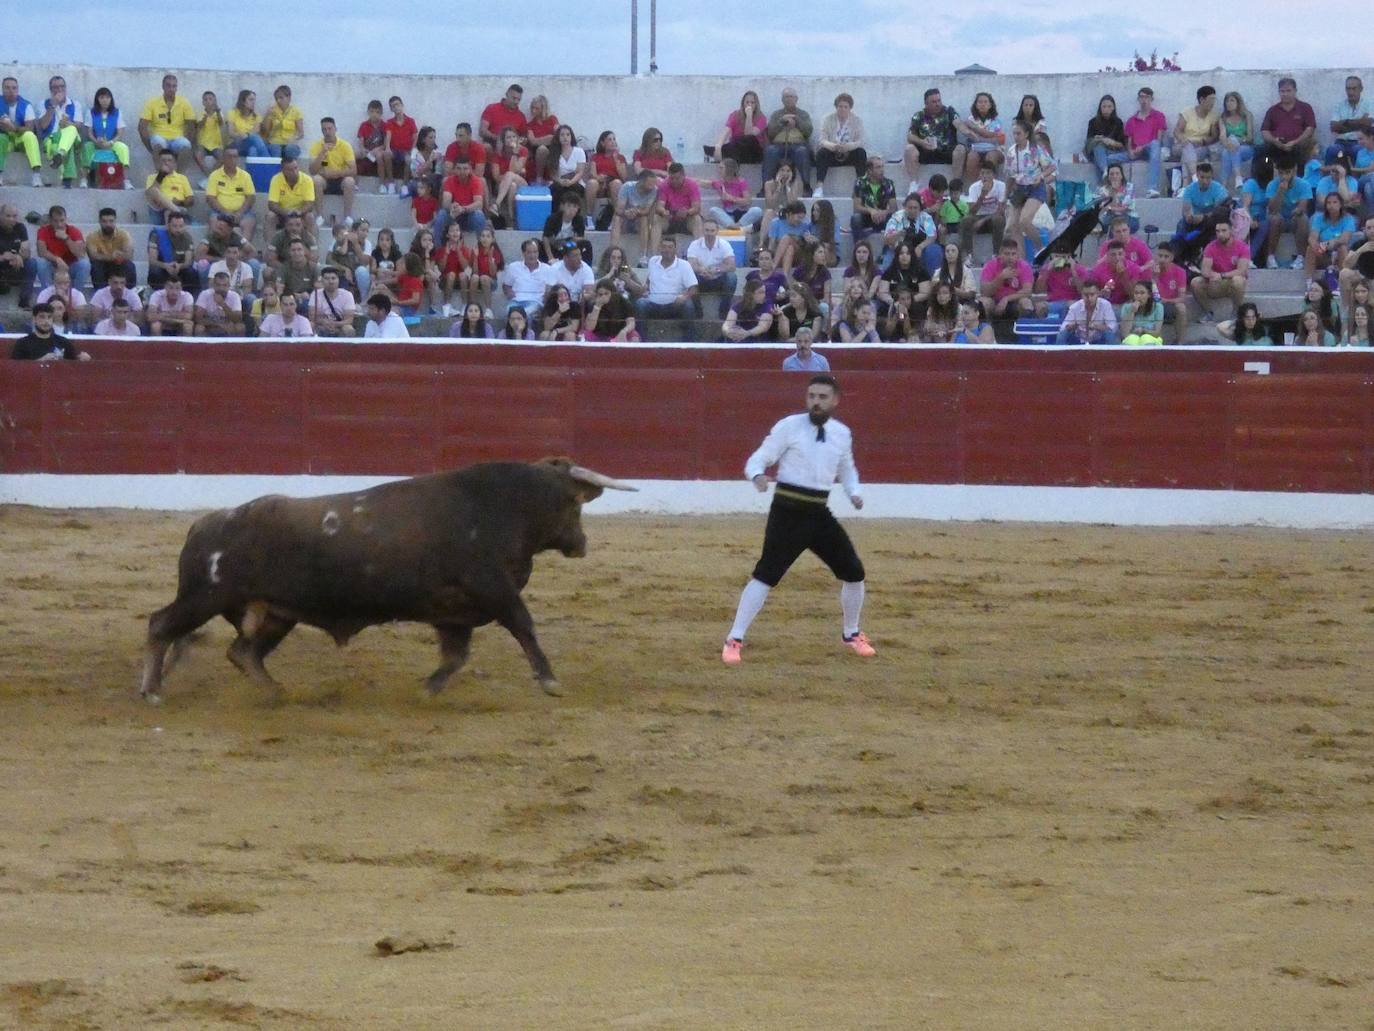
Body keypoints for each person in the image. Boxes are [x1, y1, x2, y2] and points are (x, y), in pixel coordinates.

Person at [721, 375, 872, 665]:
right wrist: (757, 476)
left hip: (819, 514)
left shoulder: (842, 433)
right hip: (787, 513)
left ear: (835, 400)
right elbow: (758, 459)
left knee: (854, 572)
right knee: (766, 574)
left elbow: (847, 469)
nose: (816, 401)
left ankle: (851, 633)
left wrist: (854, 492)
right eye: (812, 396)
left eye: (822, 397)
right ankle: (734, 638)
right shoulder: (788, 426)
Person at [1003, 120, 1054, 253]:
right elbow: (1009, 176)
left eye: (1018, 133)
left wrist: (1041, 176)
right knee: (1011, 226)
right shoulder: (1011, 151)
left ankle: (1041, 249)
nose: (1015, 136)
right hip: (1019, 188)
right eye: (1014, 133)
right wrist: (1005, 196)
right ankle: (1021, 259)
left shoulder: (1035, 149)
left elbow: (1052, 166)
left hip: (1034, 187)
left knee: (1024, 221)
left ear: (1026, 134)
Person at [1255, 78, 1317, 186]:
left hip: (1298, 145)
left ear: (1295, 91)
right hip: (1277, 145)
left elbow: (1310, 129)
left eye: (1288, 91)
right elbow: (1265, 131)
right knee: (1260, 151)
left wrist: (1295, 142)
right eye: (1282, 91)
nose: (1285, 94)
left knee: (1303, 148)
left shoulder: (1305, 108)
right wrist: (1275, 141)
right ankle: (1260, 183)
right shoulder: (1273, 110)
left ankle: (1300, 184)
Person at [1191, 218, 1250, 322]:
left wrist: (1222, 275)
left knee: (1238, 280)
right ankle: (1208, 312)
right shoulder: (1210, 247)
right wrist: (1212, 275)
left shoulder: (1242, 247)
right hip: (1215, 283)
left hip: (1231, 283)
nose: (1220, 234)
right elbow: (1204, 270)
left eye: (1224, 230)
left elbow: (1241, 270)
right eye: (1218, 231)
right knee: (1195, 282)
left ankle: (1236, 313)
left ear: (1231, 230)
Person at [34, 74, 86, 189]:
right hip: (51, 139)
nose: (59, 90)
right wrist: (52, 106)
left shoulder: (75, 104)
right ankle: (67, 179)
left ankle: (60, 154)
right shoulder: (43, 104)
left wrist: (68, 124)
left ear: (65, 88)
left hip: (73, 137)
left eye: (62, 86)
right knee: (68, 145)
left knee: (71, 129)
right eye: (55, 87)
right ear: (50, 90)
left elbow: (79, 126)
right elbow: (43, 125)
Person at [636, 236, 701, 326]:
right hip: (653, 304)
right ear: (660, 248)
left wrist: (684, 297)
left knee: (688, 305)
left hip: (674, 306)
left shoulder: (684, 265)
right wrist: (646, 288)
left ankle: (688, 340)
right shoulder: (653, 261)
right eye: (664, 247)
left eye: (670, 247)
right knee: (640, 303)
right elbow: (649, 280)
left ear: (675, 249)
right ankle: (641, 339)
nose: (667, 250)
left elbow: (693, 288)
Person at [1263, 159, 1314, 269]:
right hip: (1278, 219)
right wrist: (1280, 192)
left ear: (1294, 171)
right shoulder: (1272, 185)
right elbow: (1272, 209)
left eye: (1287, 172)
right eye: (1281, 173)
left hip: (1294, 219)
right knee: (1275, 218)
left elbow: (1303, 206)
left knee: (1303, 219)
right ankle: (1270, 257)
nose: (1284, 176)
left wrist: (1297, 211)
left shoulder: (1304, 184)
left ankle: (1301, 257)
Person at [814, 93, 866, 196]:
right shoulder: (827, 119)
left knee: (861, 153)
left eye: (845, 107)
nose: (842, 109)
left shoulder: (857, 120)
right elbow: (822, 140)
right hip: (833, 152)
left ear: (850, 108)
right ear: (836, 107)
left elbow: (861, 141)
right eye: (840, 106)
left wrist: (848, 147)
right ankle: (819, 188)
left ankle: (861, 187)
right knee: (821, 153)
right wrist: (833, 146)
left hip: (849, 153)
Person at [903, 87, 961, 181]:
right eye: (934, 102)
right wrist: (922, 142)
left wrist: (969, 130)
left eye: (939, 100)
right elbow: (910, 136)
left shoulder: (949, 112)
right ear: (926, 104)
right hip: (926, 152)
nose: (938, 104)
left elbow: (959, 124)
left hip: (947, 151)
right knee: (909, 149)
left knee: (961, 149)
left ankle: (956, 185)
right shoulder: (919, 115)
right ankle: (914, 184)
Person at [82, 86, 135, 187]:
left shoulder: (117, 112)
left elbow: (120, 133)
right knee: (87, 147)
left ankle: (126, 180)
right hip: (96, 143)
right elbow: (89, 133)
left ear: (111, 99)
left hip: (111, 143)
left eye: (107, 97)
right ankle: (84, 179)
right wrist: (96, 141)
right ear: (97, 99)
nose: (105, 100)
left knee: (123, 148)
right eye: (101, 97)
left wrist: (110, 142)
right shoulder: (91, 112)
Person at [138, 74, 195, 167]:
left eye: (174, 86)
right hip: (159, 137)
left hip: (177, 138)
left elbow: (192, 126)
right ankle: (161, 177)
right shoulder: (152, 103)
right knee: (158, 142)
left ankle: (178, 177)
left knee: (186, 145)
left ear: (177, 88)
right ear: (163, 87)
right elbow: (141, 127)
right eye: (168, 85)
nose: (171, 89)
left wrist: (188, 140)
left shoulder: (184, 103)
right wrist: (150, 148)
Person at [762, 87, 813, 191]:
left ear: (796, 99)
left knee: (802, 152)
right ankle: (766, 187)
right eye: (786, 97)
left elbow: (808, 132)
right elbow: (770, 133)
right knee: (770, 151)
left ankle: (806, 186)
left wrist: (797, 121)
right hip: (778, 145)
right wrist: (781, 122)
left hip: (798, 145)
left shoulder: (803, 114)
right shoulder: (776, 114)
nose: (789, 99)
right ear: (782, 100)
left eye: (791, 97)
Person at [204, 144, 258, 244]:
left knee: (249, 222)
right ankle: (214, 250)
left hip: (242, 212)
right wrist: (225, 211)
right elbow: (210, 198)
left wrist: (240, 213)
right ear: (223, 158)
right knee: (213, 220)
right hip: (219, 212)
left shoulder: (245, 176)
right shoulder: (214, 175)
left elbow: (251, 197)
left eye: (235, 156)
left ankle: (243, 252)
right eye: (229, 156)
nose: (232, 159)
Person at [309, 117, 357, 226]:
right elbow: (312, 170)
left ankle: (347, 216)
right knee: (316, 180)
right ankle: (320, 216)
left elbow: (353, 170)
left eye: (330, 128)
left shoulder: (345, 146)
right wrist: (322, 153)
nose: (327, 132)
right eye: (324, 129)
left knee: (350, 181)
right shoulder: (316, 146)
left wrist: (337, 173)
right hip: (325, 180)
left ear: (336, 129)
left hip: (341, 180)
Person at [687, 218, 738, 319]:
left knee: (732, 277)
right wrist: (702, 270)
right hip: (701, 279)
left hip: (718, 279)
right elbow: (691, 265)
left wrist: (717, 270)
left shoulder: (724, 244)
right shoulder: (694, 244)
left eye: (712, 231)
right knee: (689, 276)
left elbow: (732, 266)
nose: (709, 233)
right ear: (702, 230)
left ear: (717, 231)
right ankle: (698, 311)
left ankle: (723, 311)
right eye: (707, 230)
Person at [1123, 86, 1168, 198]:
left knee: (1155, 145)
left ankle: (1151, 188)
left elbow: (1158, 140)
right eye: (1141, 97)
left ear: (1151, 99)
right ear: (1138, 99)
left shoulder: (1158, 116)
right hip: (1136, 152)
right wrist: (1130, 152)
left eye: (1147, 97)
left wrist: (1142, 147)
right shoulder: (1131, 120)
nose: (1144, 100)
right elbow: (1129, 141)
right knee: (1110, 158)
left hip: (1151, 150)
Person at [0, 77, 44, 186]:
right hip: (5, 140)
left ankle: (36, 175)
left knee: (30, 135)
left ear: (18, 90)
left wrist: (14, 128)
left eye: (14, 88)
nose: (11, 91)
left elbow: (30, 128)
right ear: (2, 89)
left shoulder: (26, 105)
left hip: (20, 139)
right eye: (7, 88)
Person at [35, 205, 91, 290]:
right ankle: (49, 293)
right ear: (50, 220)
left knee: (85, 264)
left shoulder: (74, 231)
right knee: (40, 263)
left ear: (66, 219)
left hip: (70, 267)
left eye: (62, 220)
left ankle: (76, 294)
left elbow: (81, 253)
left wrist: (66, 238)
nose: (59, 224)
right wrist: (57, 259)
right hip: (52, 267)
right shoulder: (43, 231)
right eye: (55, 221)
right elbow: (41, 252)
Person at [1173, 86, 1221, 185]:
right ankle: (1195, 177)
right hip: (1181, 145)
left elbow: (1214, 137)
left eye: (1214, 99)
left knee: (1188, 156)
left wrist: (1203, 141)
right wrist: (1183, 139)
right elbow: (1177, 131)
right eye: (1211, 99)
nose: (1213, 102)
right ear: (1202, 99)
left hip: (1200, 146)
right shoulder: (1187, 112)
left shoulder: (1213, 115)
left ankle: (1186, 185)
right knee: (1187, 147)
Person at [956, 92, 1005, 184]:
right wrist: (986, 136)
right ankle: (974, 188)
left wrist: (975, 129)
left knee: (991, 156)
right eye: (980, 102)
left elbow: (995, 139)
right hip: (975, 149)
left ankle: (990, 186)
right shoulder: (970, 119)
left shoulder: (996, 120)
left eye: (986, 102)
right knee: (972, 157)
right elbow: (971, 137)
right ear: (976, 105)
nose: (983, 104)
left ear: (990, 105)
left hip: (994, 149)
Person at [10, 303, 90, 360]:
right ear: (34, 319)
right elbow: (17, 370)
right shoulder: (22, 344)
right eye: (42, 317)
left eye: (49, 317)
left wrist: (83, 359)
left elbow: (73, 367)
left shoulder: (64, 342)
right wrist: (41, 361)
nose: (46, 321)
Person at [959, 160, 1007, 255]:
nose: (985, 176)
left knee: (998, 219)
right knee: (966, 220)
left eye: (988, 173)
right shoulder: (974, 187)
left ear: (994, 175)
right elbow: (972, 211)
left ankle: (997, 254)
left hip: (993, 217)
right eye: (982, 173)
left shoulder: (1001, 186)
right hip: (978, 217)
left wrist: (983, 220)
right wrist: (982, 195)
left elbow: (1001, 210)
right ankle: (968, 255)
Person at [705, 157, 764, 233]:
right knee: (713, 210)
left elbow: (748, 201)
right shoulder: (719, 183)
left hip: (742, 215)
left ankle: (735, 227)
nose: (719, 170)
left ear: (729, 169)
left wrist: (731, 198)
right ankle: (738, 228)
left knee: (757, 210)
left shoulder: (741, 182)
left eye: (721, 168)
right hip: (729, 216)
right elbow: (701, 182)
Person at [1305, 191, 1356, 278]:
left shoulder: (1348, 218)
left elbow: (1345, 238)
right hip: (1323, 251)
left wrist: (1333, 242)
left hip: (1339, 252)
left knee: (1342, 248)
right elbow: (1312, 238)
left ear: (1341, 204)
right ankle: (1309, 282)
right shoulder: (1319, 218)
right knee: (1310, 249)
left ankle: (1342, 280)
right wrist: (1317, 246)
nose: (1331, 205)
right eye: (1328, 203)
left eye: (1335, 202)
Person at [980, 239, 1034, 318]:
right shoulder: (990, 265)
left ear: (1018, 254)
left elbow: (1027, 291)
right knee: (983, 303)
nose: (1010, 257)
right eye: (1007, 254)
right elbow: (984, 292)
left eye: (1013, 254)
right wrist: (1000, 277)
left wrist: (1006, 299)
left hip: (1015, 300)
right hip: (994, 300)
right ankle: (984, 329)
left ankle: (1024, 329)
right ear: (1000, 254)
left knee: (1026, 303)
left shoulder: (1024, 266)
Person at [850, 153, 897, 243]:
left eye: (882, 167)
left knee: (894, 219)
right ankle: (859, 247)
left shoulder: (889, 183)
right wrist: (871, 211)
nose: (882, 170)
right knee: (855, 218)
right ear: (870, 171)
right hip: (866, 217)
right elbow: (857, 207)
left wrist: (883, 213)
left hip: (883, 217)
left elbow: (894, 208)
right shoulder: (860, 182)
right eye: (878, 167)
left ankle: (888, 251)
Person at [146, 210, 198, 290]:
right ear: (168, 225)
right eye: (175, 226)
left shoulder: (187, 237)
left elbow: (188, 261)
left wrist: (179, 266)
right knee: (155, 272)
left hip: (179, 269)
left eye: (181, 226)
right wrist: (166, 266)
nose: (178, 229)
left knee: (192, 273)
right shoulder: (156, 235)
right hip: (163, 267)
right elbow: (152, 260)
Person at [85, 208, 136, 289]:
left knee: (129, 265)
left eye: (111, 221)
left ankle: (130, 292)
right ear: (100, 222)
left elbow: (129, 255)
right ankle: (100, 294)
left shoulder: (124, 235)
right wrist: (112, 256)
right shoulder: (92, 236)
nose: (108, 224)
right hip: (102, 265)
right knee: (96, 266)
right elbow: (93, 256)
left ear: (115, 221)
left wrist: (117, 257)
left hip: (119, 264)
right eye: (104, 221)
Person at [586, 130, 628, 229]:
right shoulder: (595, 157)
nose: (613, 142)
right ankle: (589, 218)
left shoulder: (620, 158)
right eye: (609, 139)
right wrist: (598, 178)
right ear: (602, 143)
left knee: (617, 183)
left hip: (613, 183)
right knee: (592, 183)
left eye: (614, 139)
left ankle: (615, 219)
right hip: (599, 182)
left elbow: (624, 177)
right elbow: (592, 173)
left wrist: (616, 160)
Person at [1327, 76, 1372, 166]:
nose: (1350, 92)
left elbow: (1368, 124)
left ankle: (1357, 178)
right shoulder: (1339, 105)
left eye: (1354, 89)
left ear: (1361, 89)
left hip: (1359, 142)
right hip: (1340, 143)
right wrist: (1359, 122)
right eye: (1348, 89)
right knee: (1332, 149)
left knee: (1359, 151)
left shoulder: (1369, 104)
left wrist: (1343, 124)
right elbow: (1333, 127)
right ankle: (1327, 178)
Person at [1175, 162, 1229, 238]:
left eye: (1208, 178)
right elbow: (1186, 210)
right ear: (1197, 175)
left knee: (1218, 225)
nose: (1205, 181)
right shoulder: (1189, 189)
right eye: (1202, 177)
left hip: (1212, 220)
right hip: (1195, 220)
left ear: (1212, 176)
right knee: (1181, 224)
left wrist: (1203, 217)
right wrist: (1189, 217)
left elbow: (1219, 212)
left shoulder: (1218, 189)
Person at [655, 162, 704, 247]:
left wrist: (687, 212)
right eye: (671, 178)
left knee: (697, 219)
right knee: (656, 219)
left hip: (687, 219)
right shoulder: (664, 185)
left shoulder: (692, 185)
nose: (674, 181)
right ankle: (654, 255)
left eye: (677, 178)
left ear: (683, 176)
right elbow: (659, 206)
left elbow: (696, 207)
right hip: (669, 219)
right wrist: (664, 212)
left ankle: (699, 251)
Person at [1151, 241, 1190, 343]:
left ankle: (1180, 343)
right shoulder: (1150, 270)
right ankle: (1157, 343)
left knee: (1181, 307)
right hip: (1154, 304)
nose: (1162, 259)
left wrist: (1166, 300)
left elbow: (1182, 297)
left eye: (1166, 256)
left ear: (1172, 257)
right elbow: (1149, 294)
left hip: (1170, 304)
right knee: (1154, 306)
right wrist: (1155, 277)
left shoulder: (1180, 272)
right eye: (1160, 256)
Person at [713, 90, 768, 164]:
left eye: (752, 102)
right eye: (747, 102)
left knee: (748, 139)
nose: (749, 105)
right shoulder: (735, 115)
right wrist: (718, 145)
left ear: (756, 104)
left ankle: (726, 154)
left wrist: (749, 116)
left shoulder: (761, 118)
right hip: (737, 148)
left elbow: (748, 134)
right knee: (731, 145)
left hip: (753, 151)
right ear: (743, 103)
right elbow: (726, 130)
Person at [1087, 238, 1144, 307]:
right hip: (1105, 305)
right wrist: (1101, 293)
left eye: (1120, 254)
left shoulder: (1133, 268)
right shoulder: (1098, 270)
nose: (1117, 258)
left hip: (1126, 305)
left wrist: (1123, 274)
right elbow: (1089, 294)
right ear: (1107, 256)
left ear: (1124, 254)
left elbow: (1134, 295)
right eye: (1113, 255)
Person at [1084, 94, 1128, 183]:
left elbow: (1122, 144)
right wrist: (1098, 139)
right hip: (1098, 150)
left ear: (1113, 108)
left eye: (1109, 106)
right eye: (1104, 106)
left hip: (1113, 151)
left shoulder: (1118, 122)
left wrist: (1111, 142)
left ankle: (1103, 183)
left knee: (1100, 159)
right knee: (1098, 148)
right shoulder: (1093, 122)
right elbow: (1088, 142)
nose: (1106, 109)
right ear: (1100, 108)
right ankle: (1105, 171)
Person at [0, 203, 38, 307]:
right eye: (8, 216)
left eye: (14, 216)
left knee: (32, 263)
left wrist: (19, 256)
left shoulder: (20, 227)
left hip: (15, 265)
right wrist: (2, 257)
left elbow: (26, 251)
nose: (12, 219)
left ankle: (24, 300)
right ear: (0, 216)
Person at [1057, 280, 1118, 344]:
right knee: (1062, 334)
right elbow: (1063, 328)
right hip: (1079, 340)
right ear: (1081, 295)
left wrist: (1097, 326)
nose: (1089, 298)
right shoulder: (1075, 307)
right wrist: (1073, 326)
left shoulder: (1105, 305)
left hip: (1100, 340)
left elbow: (1113, 328)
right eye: (1086, 295)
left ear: (1098, 294)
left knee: (1110, 335)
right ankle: (1058, 353)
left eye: (1092, 294)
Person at [502, 238, 552, 315]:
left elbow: (552, 288)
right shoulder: (513, 267)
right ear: (523, 253)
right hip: (516, 300)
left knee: (526, 313)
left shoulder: (547, 269)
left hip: (536, 301)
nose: (532, 255)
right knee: (509, 311)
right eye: (529, 252)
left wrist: (546, 297)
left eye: (535, 252)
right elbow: (506, 285)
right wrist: (509, 292)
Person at [1218, 91, 1256, 191]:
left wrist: (1237, 140)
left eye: (1232, 100)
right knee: (1226, 152)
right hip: (1230, 147)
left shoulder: (1247, 115)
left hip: (1246, 147)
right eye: (1227, 101)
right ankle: (1237, 178)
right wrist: (1227, 143)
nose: (1229, 103)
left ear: (1238, 102)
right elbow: (1222, 136)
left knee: (1233, 145)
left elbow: (1250, 137)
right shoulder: (1223, 117)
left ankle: (1224, 185)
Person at [144, 148, 194, 224]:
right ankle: (178, 213)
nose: (166, 163)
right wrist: (161, 175)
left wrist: (179, 202)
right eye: (163, 161)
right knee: (154, 190)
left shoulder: (182, 178)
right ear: (159, 163)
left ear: (174, 164)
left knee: (169, 212)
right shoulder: (151, 177)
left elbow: (191, 200)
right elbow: (150, 195)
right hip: (158, 209)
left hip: (177, 206)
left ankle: (176, 211)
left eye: (169, 160)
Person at [267, 154, 316, 229]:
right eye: (290, 170)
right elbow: (272, 204)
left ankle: (312, 241)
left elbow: (310, 204)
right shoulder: (276, 179)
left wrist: (299, 212)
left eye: (296, 168)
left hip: (301, 214)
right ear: (283, 171)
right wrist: (285, 212)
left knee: (310, 217)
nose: (295, 172)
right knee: (270, 216)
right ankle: (270, 241)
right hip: (282, 214)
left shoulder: (307, 180)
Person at [539, 193, 590, 264]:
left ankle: (585, 266)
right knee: (536, 244)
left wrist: (570, 241)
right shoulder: (553, 218)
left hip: (568, 247)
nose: (571, 209)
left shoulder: (579, 219)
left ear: (578, 208)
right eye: (568, 206)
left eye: (575, 206)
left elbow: (581, 237)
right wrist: (550, 257)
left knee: (586, 244)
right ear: (562, 206)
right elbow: (546, 238)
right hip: (553, 247)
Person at [307, 266, 358, 336]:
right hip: (321, 325)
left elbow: (349, 319)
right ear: (322, 280)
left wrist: (335, 324)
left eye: (333, 278)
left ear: (338, 280)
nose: (330, 281)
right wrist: (323, 322)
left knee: (349, 329)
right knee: (309, 325)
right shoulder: (315, 294)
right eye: (327, 279)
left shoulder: (347, 295)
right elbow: (312, 316)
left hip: (340, 326)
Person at [721, 277, 774, 342]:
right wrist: (728, 332)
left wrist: (747, 333)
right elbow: (727, 324)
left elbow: (763, 327)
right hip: (738, 339)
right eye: (760, 292)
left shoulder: (767, 305)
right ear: (750, 294)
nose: (764, 295)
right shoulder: (738, 305)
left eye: (764, 292)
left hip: (758, 341)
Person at [193, 270, 244, 336]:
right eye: (218, 285)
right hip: (209, 326)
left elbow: (238, 319)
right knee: (199, 328)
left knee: (240, 327)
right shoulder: (205, 294)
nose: (221, 288)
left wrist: (223, 304)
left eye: (224, 285)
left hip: (229, 325)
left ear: (229, 286)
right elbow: (198, 318)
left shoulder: (234, 296)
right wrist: (218, 324)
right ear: (213, 285)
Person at [190, 90, 224, 187]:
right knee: (197, 155)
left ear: (215, 101)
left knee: (223, 156)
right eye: (206, 100)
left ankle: (209, 178)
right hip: (203, 144)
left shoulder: (219, 113)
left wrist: (217, 112)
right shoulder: (200, 113)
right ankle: (210, 176)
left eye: (210, 99)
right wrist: (204, 119)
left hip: (216, 144)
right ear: (203, 102)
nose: (208, 101)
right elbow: (199, 126)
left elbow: (221, 124)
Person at [261, 85, 304, 158]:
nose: (278, 101)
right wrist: (267, 115)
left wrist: (294, 138)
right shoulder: (272, 110)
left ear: (289, 98)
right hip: (275, 143)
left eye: (281, 98)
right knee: (275, 149)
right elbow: (266, 131)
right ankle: (275, 169)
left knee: (290, 149)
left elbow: (301, 133)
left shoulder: (296, 111)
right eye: (276, 98)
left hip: (289, 143)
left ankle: (289, 168)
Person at [480, 84, 527, 150]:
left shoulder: (521, 116)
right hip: (493, 147)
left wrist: (515, 142)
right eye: (514, 98)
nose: (516, 102)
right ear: (507, 94)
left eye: (519, 100)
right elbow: (482, 131)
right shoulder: (492, 108)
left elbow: (524, 137)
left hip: (511, 149)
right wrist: (499, 139)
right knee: (485, 147)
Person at [226, 89, 268, 158]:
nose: (253, 102)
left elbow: (255, 131)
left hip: (249, 144)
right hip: (236, 143)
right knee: (254, 139)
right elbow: (231, 133)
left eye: (254, 100)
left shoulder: (257, 116)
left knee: (253, 149)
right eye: (251, 100)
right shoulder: (232, 113)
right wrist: (241, 135)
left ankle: (252, 168)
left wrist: (246, 135)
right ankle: (268, 162)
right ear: (243, 101)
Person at [1097, 164, 1138, 233]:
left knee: (1119, 227)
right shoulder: (1103, 190)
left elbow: (1126, 208)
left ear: (1122, 175)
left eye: (1117, 173)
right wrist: (1113, 191)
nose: (1114, 176)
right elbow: (1103, 208)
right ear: (1108, 177)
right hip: (1110, 217)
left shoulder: (1129, 187)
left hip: (1128, 217)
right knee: (1111, 226)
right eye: (1111, 174)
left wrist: (1110, 208)